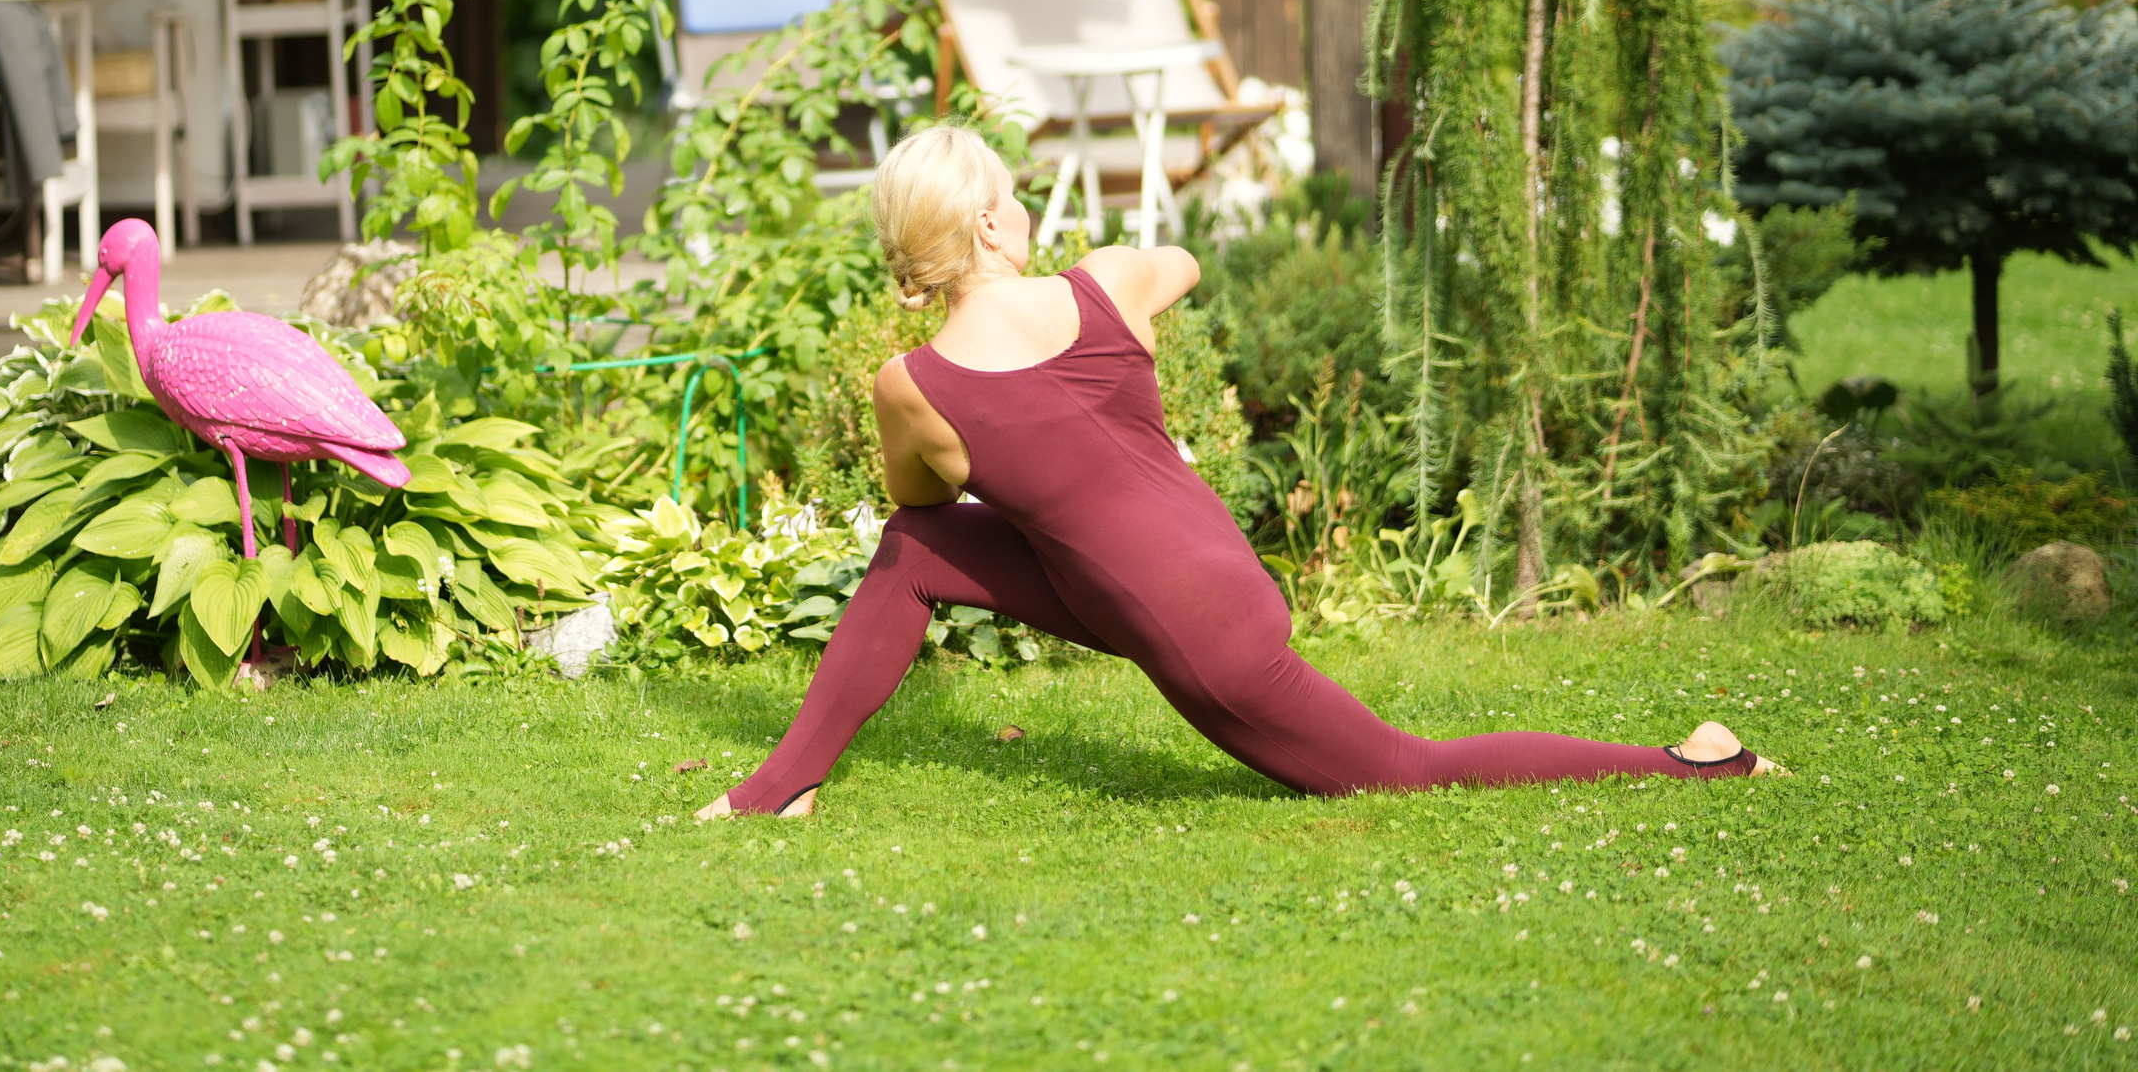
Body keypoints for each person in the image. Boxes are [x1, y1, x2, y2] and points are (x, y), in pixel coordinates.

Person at [701, 124, 1766, 820]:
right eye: (1013, 200)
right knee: (920, 554)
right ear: (989, 224)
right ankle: (782, 787)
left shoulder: (912, 384)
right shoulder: (1111, 281)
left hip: (1204, 641)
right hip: (1200, 569)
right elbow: (1184, 263)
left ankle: (1696, 764)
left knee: (1403, 768)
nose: (1022, 210)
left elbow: (923, 499)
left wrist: (1020, 450)